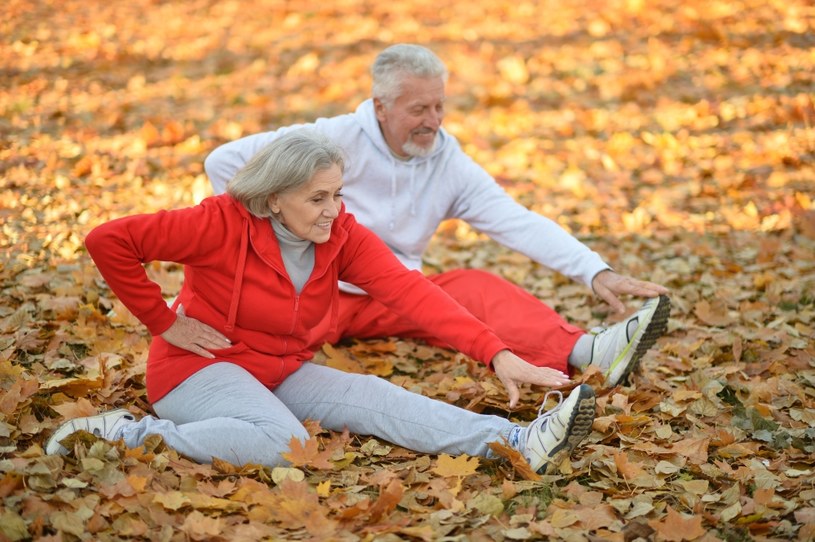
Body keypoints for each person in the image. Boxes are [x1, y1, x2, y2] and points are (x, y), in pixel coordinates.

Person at [46, 130, 596, 475]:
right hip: (198, 369)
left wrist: (496, 353)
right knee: (283, 443)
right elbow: (109, 240)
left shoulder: (341, 236)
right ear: (273, 199)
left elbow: (413, 295)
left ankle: (519, 440)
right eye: (317, 198)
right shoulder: (217, 223)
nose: (334, 209)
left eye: (337, 193)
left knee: (378, 397)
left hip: (280, 368)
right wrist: (163, 322)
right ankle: (126, 432)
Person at [204, 44, 671, 390]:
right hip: (306, 292)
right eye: (418, 109)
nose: (434, 120)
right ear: (381, 107)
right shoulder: (330, 139)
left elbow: (514, 220)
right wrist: (279, 241)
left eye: (439, 105)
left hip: (389, 295)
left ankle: (589, 350)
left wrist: (594, 270)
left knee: (473, 287)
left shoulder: (448, 162)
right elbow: (222, 163)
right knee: (259, 346)